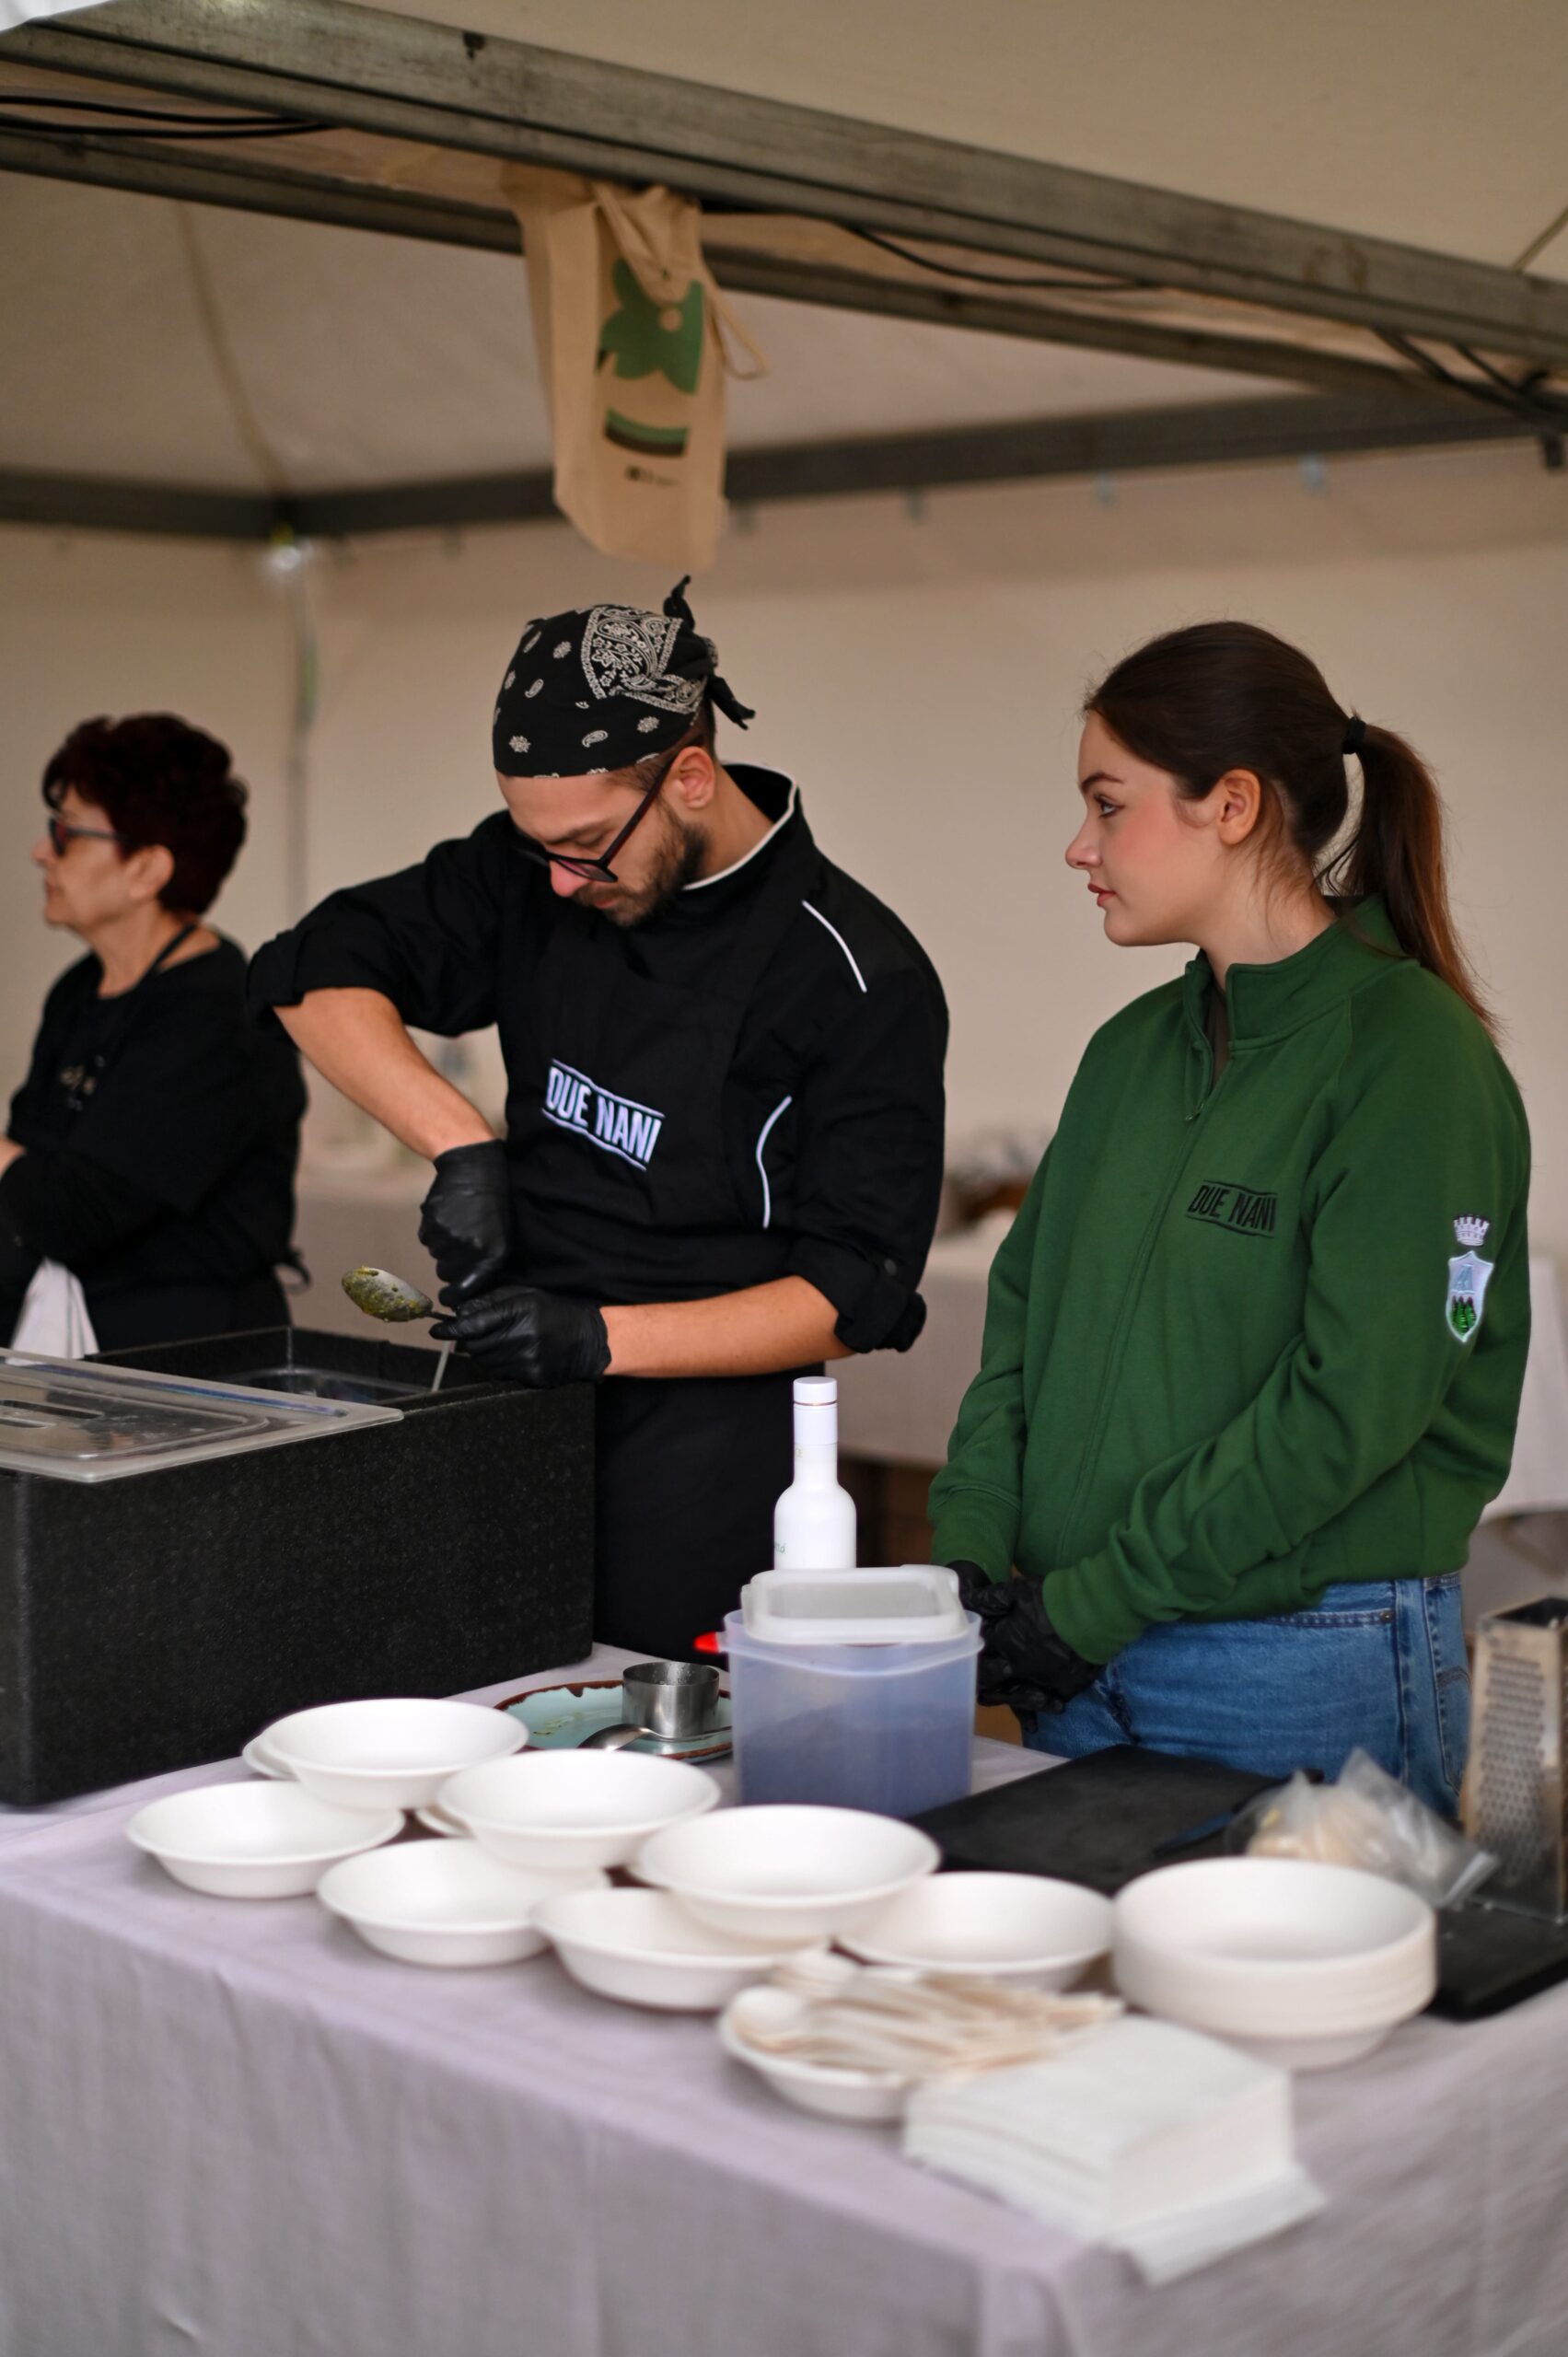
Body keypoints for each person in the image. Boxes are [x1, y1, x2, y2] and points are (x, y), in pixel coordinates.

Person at [249, 582, 947, 1657]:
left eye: (585, 846)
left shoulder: (853, 975)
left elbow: (850, 1294)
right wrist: (459, 1143)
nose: (563, 885)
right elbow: (306, 969)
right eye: (541, 849)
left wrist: (599, 1338)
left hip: (700, 1452)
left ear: (689, 777)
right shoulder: (533, 871)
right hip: (514, 1406)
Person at [930, 621, 1528, 1815]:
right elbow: (1019, 1334)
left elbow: (1341, 1413)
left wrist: (1087, 1605)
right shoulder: (1126, 1053)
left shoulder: (1407, 1060)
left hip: (1292, 1664)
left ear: (1233, 805)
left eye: (1108, 805)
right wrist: (965, 1559)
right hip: (1071, 1659)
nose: (1078, 845)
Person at [0, 714, 306, 1354]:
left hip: (188, 1368)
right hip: (78, 1356)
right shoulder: (81, 988)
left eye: (67, 833)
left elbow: (68, 1213)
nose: (41, 852)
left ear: (147, 869)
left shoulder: (216, 1011)